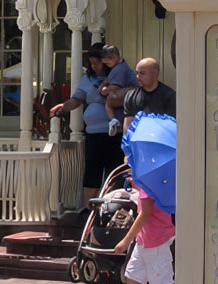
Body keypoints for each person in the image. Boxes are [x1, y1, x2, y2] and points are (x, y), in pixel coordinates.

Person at [96, 180, 176, 284]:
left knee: (165, 279)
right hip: (147, 238)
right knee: (133, 275)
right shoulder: (154, 182)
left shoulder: (148, 185)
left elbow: (144, 213)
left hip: (155, 239)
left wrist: (125, 241)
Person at [47, 46, 111, 203]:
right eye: (92, 63)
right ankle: (90, 209)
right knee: (92, 171)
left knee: (111, 170)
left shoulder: (118, 77)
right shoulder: (87, 79)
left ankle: (113, 208)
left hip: (113, 133)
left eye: (97, 63)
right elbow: (77, 99)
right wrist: (62, 108)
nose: (94, 66)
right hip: (93, 133)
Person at [122, 58, 176, 134]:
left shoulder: (169, 96)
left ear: (155, 73)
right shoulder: (131, 95)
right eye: (136, 73)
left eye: (142, 73)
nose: (137, 77)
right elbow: (127, 125)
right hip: (137, 142)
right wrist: (126, 144)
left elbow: (172, 126)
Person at [100, 45, 137, 135]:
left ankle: (113, 120)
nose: (107, 65)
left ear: (116, 57)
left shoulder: (119, 69)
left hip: (131, 92)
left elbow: (116, 87)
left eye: (108, 62)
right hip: (131, 94)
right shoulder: (122, 66)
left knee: (109, 101)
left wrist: (104, 90)